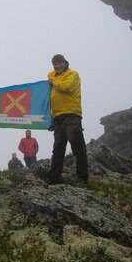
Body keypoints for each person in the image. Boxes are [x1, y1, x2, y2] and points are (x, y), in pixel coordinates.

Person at [47, 53, 89, 184]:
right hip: (58, 118)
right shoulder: (52, 78)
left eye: (60, 63)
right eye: (55, 64)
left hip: (72, 115)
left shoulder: (73, 75)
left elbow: (67, 88)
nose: (58, 66)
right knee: (58, 149)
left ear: (65, 63)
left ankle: (82, 177)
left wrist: (53, 81)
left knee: (77, 147)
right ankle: (54, 178)